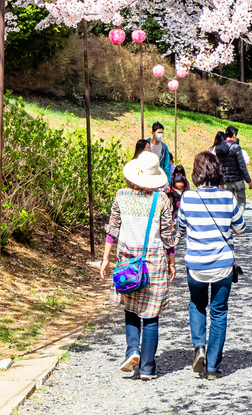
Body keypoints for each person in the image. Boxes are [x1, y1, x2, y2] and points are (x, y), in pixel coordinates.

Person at [98, 149, 181, 380]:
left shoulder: (121, 195)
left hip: (127, 263)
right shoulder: (162, 199)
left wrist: (106, 258)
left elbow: (112, 229)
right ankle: (147, 368)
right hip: (153, 263)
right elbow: (167, 236)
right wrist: (172, 262)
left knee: (131, 309)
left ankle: (132, 349)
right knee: (151, 316)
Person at [180, 150, 239, 379]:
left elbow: (182, 228)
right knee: (219, 311)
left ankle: (199, 348)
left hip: (196, 264)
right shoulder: (228, 197)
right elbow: (241, 228)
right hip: (223, 264)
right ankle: (213, 366)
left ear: (196, 173)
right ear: (217, 171)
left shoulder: (187, 197)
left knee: (197, 304)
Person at [215, 129, 252, 219]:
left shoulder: (218, 148)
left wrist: (221, 181)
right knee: (241, 201)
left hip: (226, 180)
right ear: (234, 135)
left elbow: (219, 166)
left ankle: (230, 221)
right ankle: (237, 220)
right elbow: (242, 165)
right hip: (237, 179)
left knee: (229, 202)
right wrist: (249, 180)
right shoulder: (236, 147)